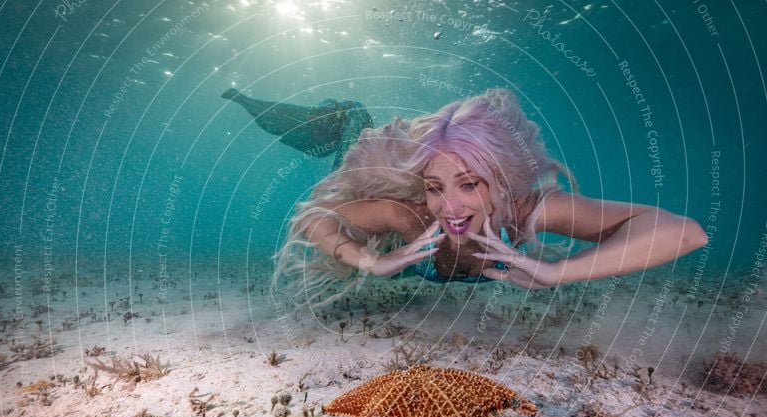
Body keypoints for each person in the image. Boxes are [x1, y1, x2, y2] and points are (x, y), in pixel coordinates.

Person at [223, 87, 707, 306]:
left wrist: (559, 272)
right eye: (436, 188)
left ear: (500, 181)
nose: (450, 208)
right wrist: (368, 262)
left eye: (470, 184)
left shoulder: (525, 212)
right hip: (360, 169)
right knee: (351, 126)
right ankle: (336, 113)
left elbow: (685, 232)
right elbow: (317, 214)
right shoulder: (409, 215)